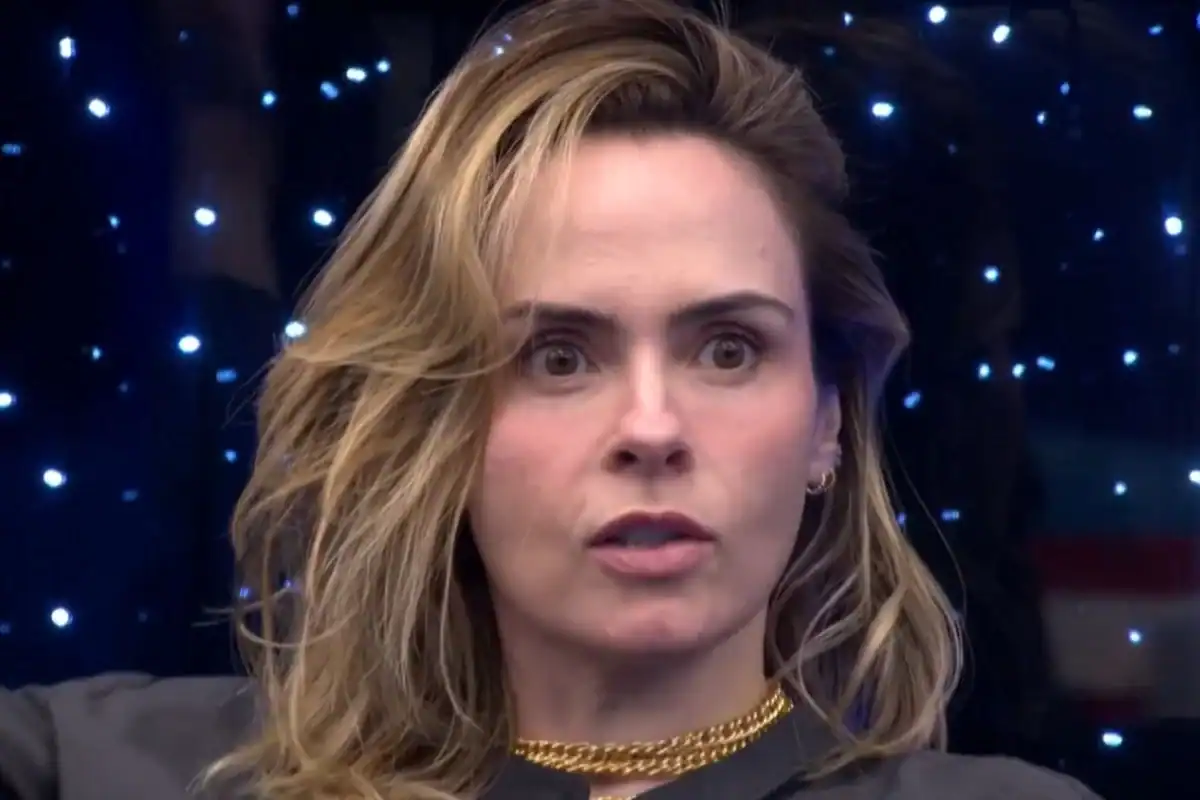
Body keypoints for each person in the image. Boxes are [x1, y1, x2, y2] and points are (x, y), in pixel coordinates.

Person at [0, 1, 1103, 798]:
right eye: (559, 357)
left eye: (728, 349)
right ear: (439, 422)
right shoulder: (137, 768)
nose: (652, 429)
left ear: (828, 421)